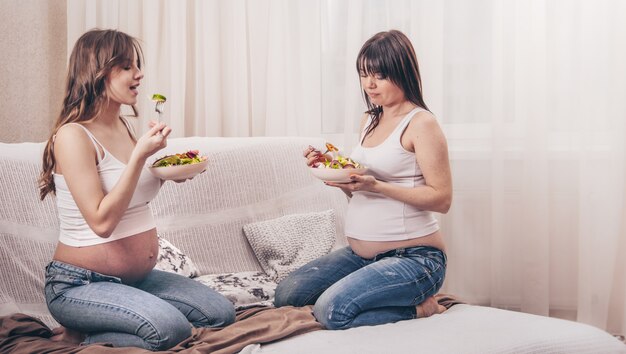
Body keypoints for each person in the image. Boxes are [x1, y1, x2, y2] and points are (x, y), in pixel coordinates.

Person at [38, 29, 235, 351]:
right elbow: (102, 223)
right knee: (171, 330)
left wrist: (165, 174)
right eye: (127, 66)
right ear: (98, 70)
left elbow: (128, 192)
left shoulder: (123, 126)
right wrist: (140, 157)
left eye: (137, 65)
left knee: (220, 313)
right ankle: (80, 331)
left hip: (137, 280)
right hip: (79, 284)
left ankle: (126, 315)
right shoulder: (73, 136)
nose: (139, 74)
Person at [274, 30, 452, 330]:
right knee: (286, 295)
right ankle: (375, 291)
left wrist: (376, 185)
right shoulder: (369, 120)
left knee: (331, 311)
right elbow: (362, 192)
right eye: (363, 74)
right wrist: (342, 179)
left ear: (402, 73)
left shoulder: (421, 123)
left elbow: (442, 199)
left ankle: (423, 308)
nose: (369, 84)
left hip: (416, 259)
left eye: (379, 75)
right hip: (363, 256)